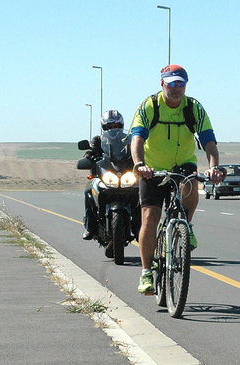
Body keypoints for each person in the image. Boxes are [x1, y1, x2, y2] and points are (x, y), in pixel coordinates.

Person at [130, 64, 225, 295]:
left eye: (180, 83)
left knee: (192, 183)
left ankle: (186, 226)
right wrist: (140, 165)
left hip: (183, 164)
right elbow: (137, 139)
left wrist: (214, 168)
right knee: (150, 217)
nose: (176, 88)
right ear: (162, 83)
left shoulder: (193, 108)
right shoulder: (150, 106)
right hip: (152, 168)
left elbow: (209, 142)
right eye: (171, 83)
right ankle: (146, 273)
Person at [82, 110, 126, 243]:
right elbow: (90, 151)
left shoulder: (128, 139)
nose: (113, 129)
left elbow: (138, 150)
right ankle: (90, 227)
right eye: (109, 127)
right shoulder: (98, 140)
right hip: (104, 176)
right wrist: (88, 158)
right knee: (89, 192)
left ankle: (142, 227)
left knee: (143, 192)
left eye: (116, 126)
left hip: (125, 175)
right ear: (104, 127)